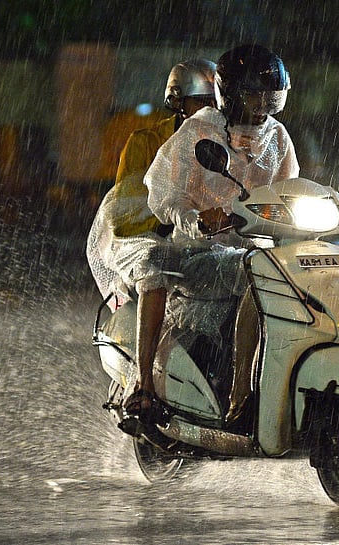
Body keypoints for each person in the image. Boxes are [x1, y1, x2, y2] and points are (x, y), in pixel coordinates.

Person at [128, 44, 300, 423]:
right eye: (254, 96)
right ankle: (149, 385)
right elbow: (163, 195)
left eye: (269, 97)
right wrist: (197, 220)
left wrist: (335, 213)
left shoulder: (278, 137)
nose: (262, 107)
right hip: (199, 252)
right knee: (155, 262)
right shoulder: (199, 131)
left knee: (288, 275)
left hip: (253, 251)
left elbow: (292, 191)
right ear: (231, 95)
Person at [86, 58, 217, 407]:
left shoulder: (234, 142)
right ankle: (144, 384)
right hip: (146, 237)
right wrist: (179, 223)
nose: (209, 111)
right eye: (201, 103)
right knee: (155, 265)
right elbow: (131, 208)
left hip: (204, 239)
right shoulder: (146, 141)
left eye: (215, 103)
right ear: (177, 101)